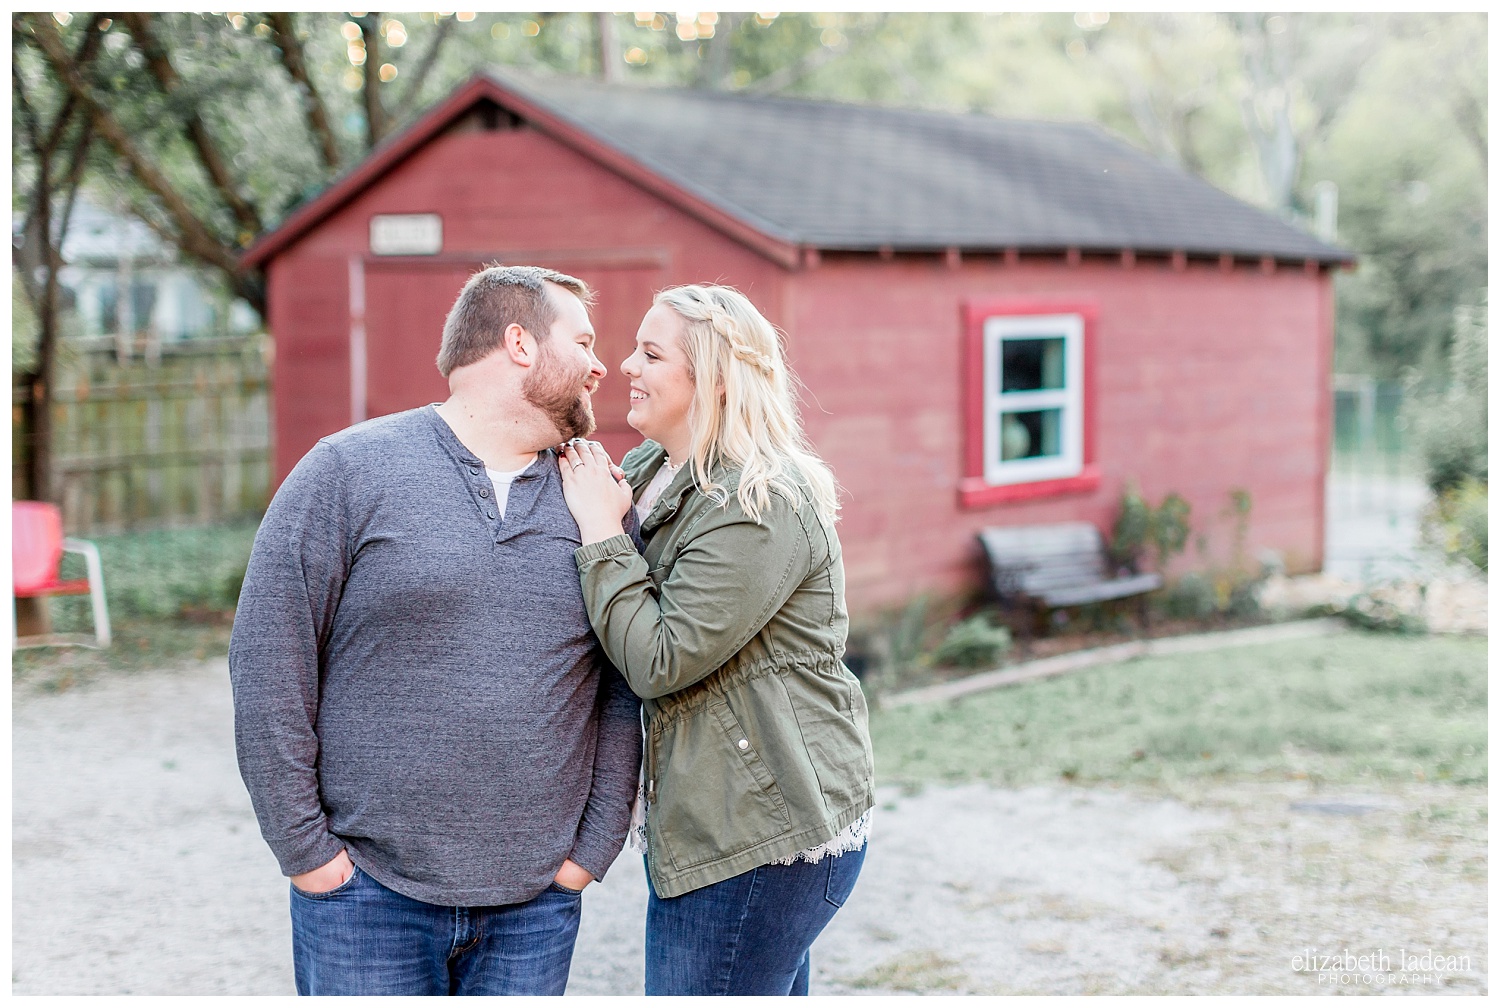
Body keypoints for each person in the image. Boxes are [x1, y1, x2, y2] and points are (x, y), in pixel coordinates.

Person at [228, 265, 642, 996]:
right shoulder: (347, 471)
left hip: (534, 905)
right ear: (519, 343)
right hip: (367, 898)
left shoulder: (596, 501)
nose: (602, 365)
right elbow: (270, 662)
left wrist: (592, 846)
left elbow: (621, 679)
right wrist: (307, 854)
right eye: (583, 341)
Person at [557, 284, 875, 996]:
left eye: (651, 352)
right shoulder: (645, 469)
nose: (625, 366)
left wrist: (603, 535)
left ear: (717, 382)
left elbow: (659, 657)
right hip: (718, 813)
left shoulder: (758, 503)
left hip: (759, 831)